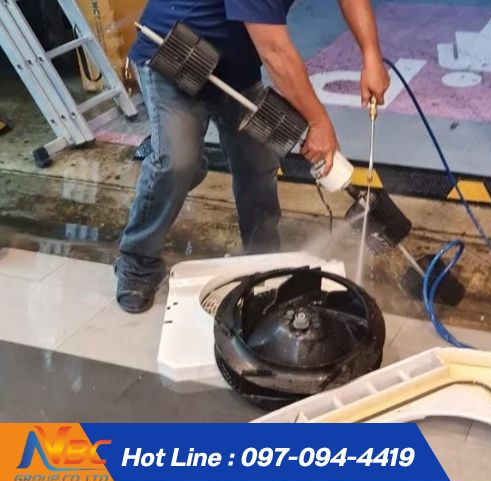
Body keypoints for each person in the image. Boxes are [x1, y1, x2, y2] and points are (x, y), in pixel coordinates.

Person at [117, 0, 390, 313]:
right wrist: (317, 123)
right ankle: (137, 262)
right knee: (176, 162)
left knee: (258, 162)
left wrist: (371, 55)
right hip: (173, 49)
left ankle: (263, 261)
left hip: (234, 66)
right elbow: (275, 51)